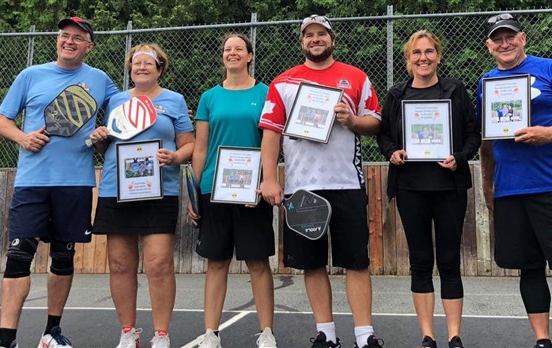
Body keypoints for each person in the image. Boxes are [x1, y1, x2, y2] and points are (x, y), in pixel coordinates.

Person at [0, 17, 118, 348]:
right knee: (19, 255)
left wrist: (105, 134)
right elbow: (1, 118)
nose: (69, 41)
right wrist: (22, 137)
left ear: (89, 46)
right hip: (32, 182)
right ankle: (6, 340)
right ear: (57, 40)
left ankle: (52, 332)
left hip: (75, 183)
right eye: (65, 36)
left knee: (63, 257)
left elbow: (124, 116)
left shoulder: (101, 80)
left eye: (78, 37)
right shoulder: (30, 75)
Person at [259, 15, 384, 348]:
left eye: (321, 34)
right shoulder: (283, 82)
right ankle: (326, 334)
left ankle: (364, 334)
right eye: (309, 35)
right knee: (312, 263)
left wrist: (353, 120)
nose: (315, 39)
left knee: (357, 262)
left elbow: (375, 121)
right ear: (302, 42)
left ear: (332, 39)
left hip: (347, 182)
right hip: (302, 185)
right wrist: (270, 178)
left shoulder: (355, 77)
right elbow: (270, 133)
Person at [478, 13, 552, 348]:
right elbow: (487, 143)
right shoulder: (486, 83)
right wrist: (489, 186)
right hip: (510, 189)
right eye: (497, 38)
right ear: (489, 45)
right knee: (528, 269)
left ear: (523, 38)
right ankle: (542, 341)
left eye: (510, 36)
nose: (504, 43)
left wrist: (550, 133)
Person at [376, 30, 481, 348]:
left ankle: (454, 335)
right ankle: (427, 335)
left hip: (449, 187)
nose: (423, 58)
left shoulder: (455, 90)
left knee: (449, 261)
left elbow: (473, 134)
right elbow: (382, 135)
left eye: (429, 52)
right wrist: (392, 152)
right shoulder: (396, 94)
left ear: (438, 55)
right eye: (416, 53)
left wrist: (459, 157)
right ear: (408, 59)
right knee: (420, 261)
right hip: (410, 187)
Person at [88, 43, 195, 348]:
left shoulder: (174, 101)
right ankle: (128, 332)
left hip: (159, 189)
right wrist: (99, 139)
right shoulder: (116, 101)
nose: (142, 67)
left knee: (159, 262)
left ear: (160, 68)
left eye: (149, 63)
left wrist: (174, 158)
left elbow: (188, 144)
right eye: (136, 63)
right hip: (115, 188)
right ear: (130, 69)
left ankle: (161, 333)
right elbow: (109, 147)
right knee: (120, 263)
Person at [187, 33, 276, 348]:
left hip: (254, 191)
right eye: (227, 49)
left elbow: (272, 143)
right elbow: (200, 149)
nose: (232, 52)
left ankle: (266, 332)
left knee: (257, 261)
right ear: (222, 57)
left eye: (239, 48)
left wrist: (265, 182)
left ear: (250, 56)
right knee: (216, 262)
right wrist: (195, 192)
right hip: (214, 189)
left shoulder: (267, 94)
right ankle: (211, 333)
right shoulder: (209, 97)